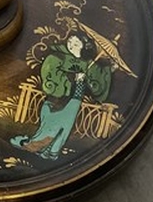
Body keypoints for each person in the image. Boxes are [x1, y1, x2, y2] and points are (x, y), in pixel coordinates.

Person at [10, 32, 112, 160]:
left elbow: (97, 81)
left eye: (76, 43)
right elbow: (50, 73)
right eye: (70, 42)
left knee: (66, 125)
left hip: (76, 98)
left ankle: (52, 151)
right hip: (58, 98)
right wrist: (72, 77)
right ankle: (36, 146)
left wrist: (105, 70)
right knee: (51, 122)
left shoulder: (87, 63)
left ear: (83, 46)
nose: (71, 45)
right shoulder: (58, 56)